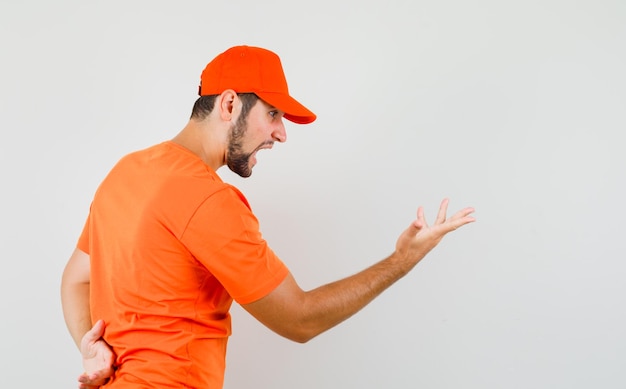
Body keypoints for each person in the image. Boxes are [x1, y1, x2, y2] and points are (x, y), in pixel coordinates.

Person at [61, 45, 476, 389]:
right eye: (273, 113)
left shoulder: (126, 173)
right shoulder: (207, 199)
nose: (281, 133)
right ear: (229, 103)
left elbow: (76, 278)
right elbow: (300, 319)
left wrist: (89, 344)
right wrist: (402, 260)